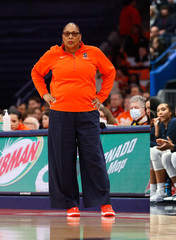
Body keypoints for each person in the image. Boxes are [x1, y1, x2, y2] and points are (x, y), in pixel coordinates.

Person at [31, 22, 116, 218]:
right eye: (67, 33)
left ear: (80, 36)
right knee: (64, 161)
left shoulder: (93, 52)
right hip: (60, 114)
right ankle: (71, 204)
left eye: (74, 34)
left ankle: (105, 204)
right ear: (62, 36)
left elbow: (110, 72)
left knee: (94, 158)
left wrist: (101, 97)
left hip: (88, 113)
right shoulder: (52, 54)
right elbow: (36, 72)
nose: (70, 37)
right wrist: (44, 94)